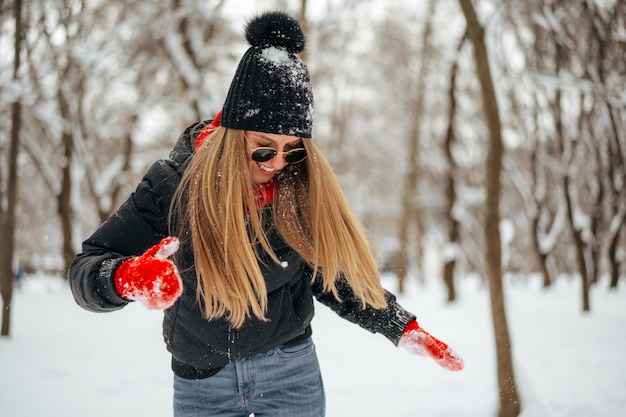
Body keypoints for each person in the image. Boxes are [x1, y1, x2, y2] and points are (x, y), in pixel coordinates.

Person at [68, 11, 463, 417]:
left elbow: (332, 278)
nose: (277, 163)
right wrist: (125, 278)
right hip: (202, 380)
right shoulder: (174, 186)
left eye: (292, 150)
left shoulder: (297, 191)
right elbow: (86, 268)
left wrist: (399, 325)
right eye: (263, 148)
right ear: (233, 133)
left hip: (290, 372)